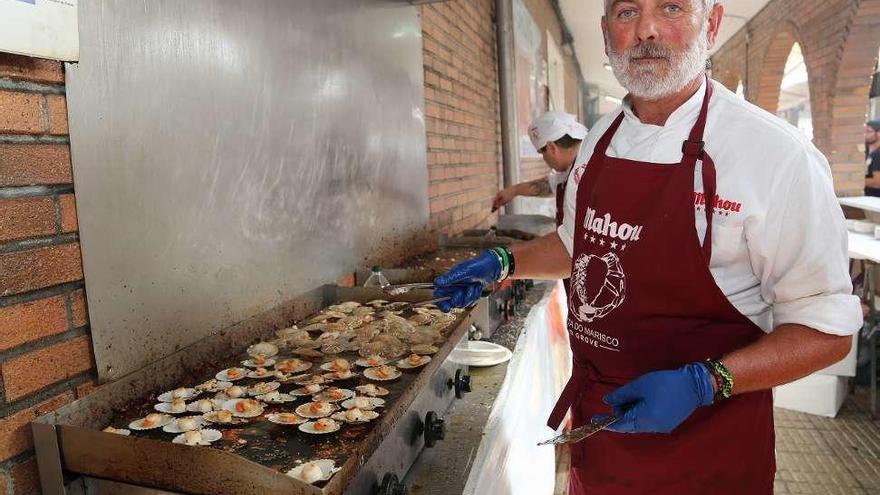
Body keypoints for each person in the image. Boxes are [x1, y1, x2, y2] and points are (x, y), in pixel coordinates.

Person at [433, 1, 861, 493]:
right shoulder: (600, 140)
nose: (646, 31)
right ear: (605, 31)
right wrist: (506, 263)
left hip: (711, 455)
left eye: (672, 7)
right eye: (627, 12)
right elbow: (579, 247)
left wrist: (706, 382)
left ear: (713, 24)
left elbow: (828, 331)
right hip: (602, 440)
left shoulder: (777, 157)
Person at [492, 111, 588, 229]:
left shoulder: (585, 176)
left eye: (542, 153)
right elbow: (549, 185)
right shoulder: (573, 168)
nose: (544, 159)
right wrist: (514, 191)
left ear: (552, 148)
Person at [864, 120, 880, 196]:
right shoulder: (869, 152)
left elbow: (877, 182)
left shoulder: (878, 154)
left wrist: (857, 180)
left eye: (868, 132)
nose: (865, 135)